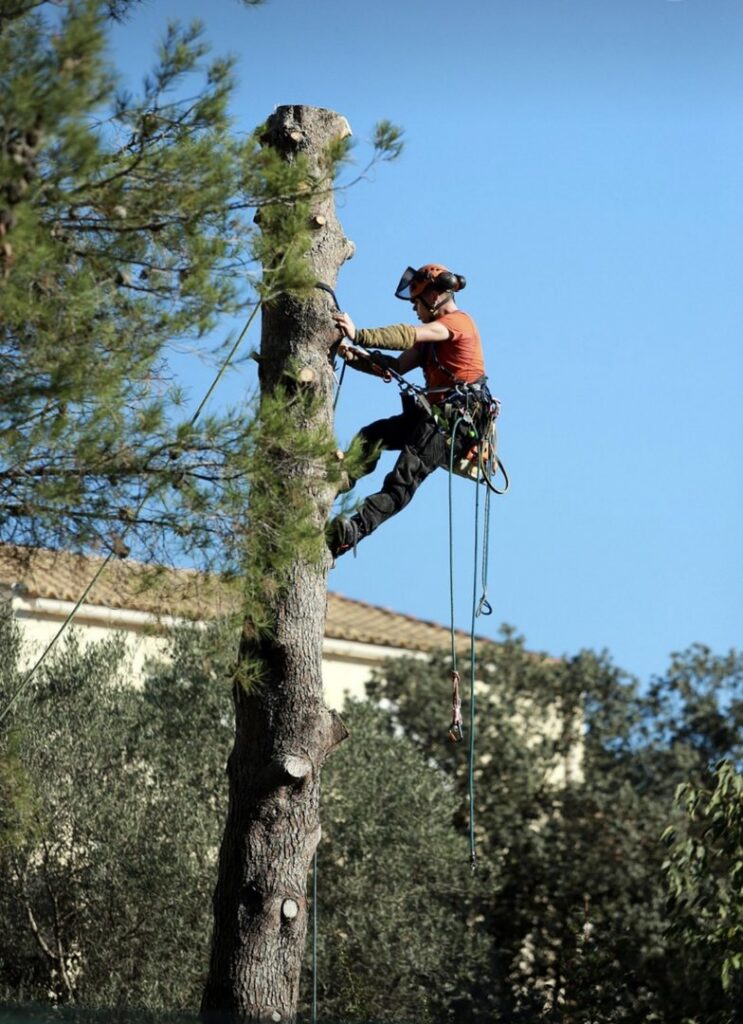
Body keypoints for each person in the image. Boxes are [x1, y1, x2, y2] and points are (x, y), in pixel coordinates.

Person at [327, 262, 490, 558]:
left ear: (434, 297)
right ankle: (338, 479)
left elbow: (406, 335)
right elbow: (397, 365)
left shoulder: (456, 323)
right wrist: (356, 357)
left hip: (454, 423)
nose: (414, 308)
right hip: (434, 417)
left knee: (403, 479)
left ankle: (353, 531)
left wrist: (359, 334)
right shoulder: (431, 341)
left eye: (417, 301)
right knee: (372, 435)